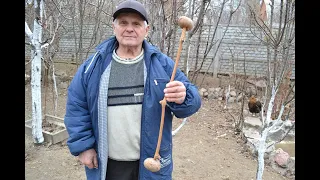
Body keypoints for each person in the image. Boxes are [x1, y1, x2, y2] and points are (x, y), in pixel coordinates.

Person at [64, 0, 201, 179]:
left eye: (136, 23)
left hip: (151, 163)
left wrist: (184, 96)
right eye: (123, 23)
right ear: (114, 28)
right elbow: (76, 106)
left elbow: (193, 101)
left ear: (147, 29)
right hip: (108, 163)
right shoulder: (93, 66)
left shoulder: (163, 65)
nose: (129, 29)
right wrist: (84, 147)